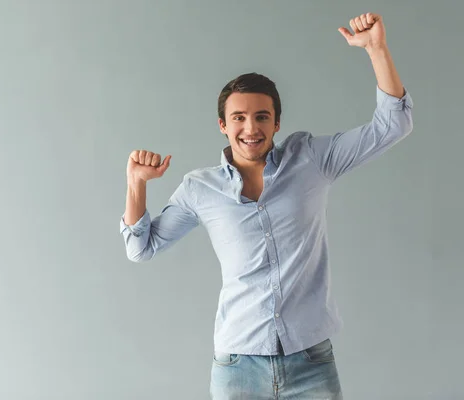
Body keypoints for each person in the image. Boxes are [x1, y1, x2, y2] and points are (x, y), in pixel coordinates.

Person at [119, 12, 413, 399]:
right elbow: (141, 248)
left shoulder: (311, 158)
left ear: (277, 123)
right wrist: (136, 184)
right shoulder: (199, 189)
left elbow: (392, 125)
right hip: (238, 365)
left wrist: (377, 49)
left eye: (262, 117)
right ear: (223, 125)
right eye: (239, 118)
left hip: (311, 361)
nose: (251, 128)